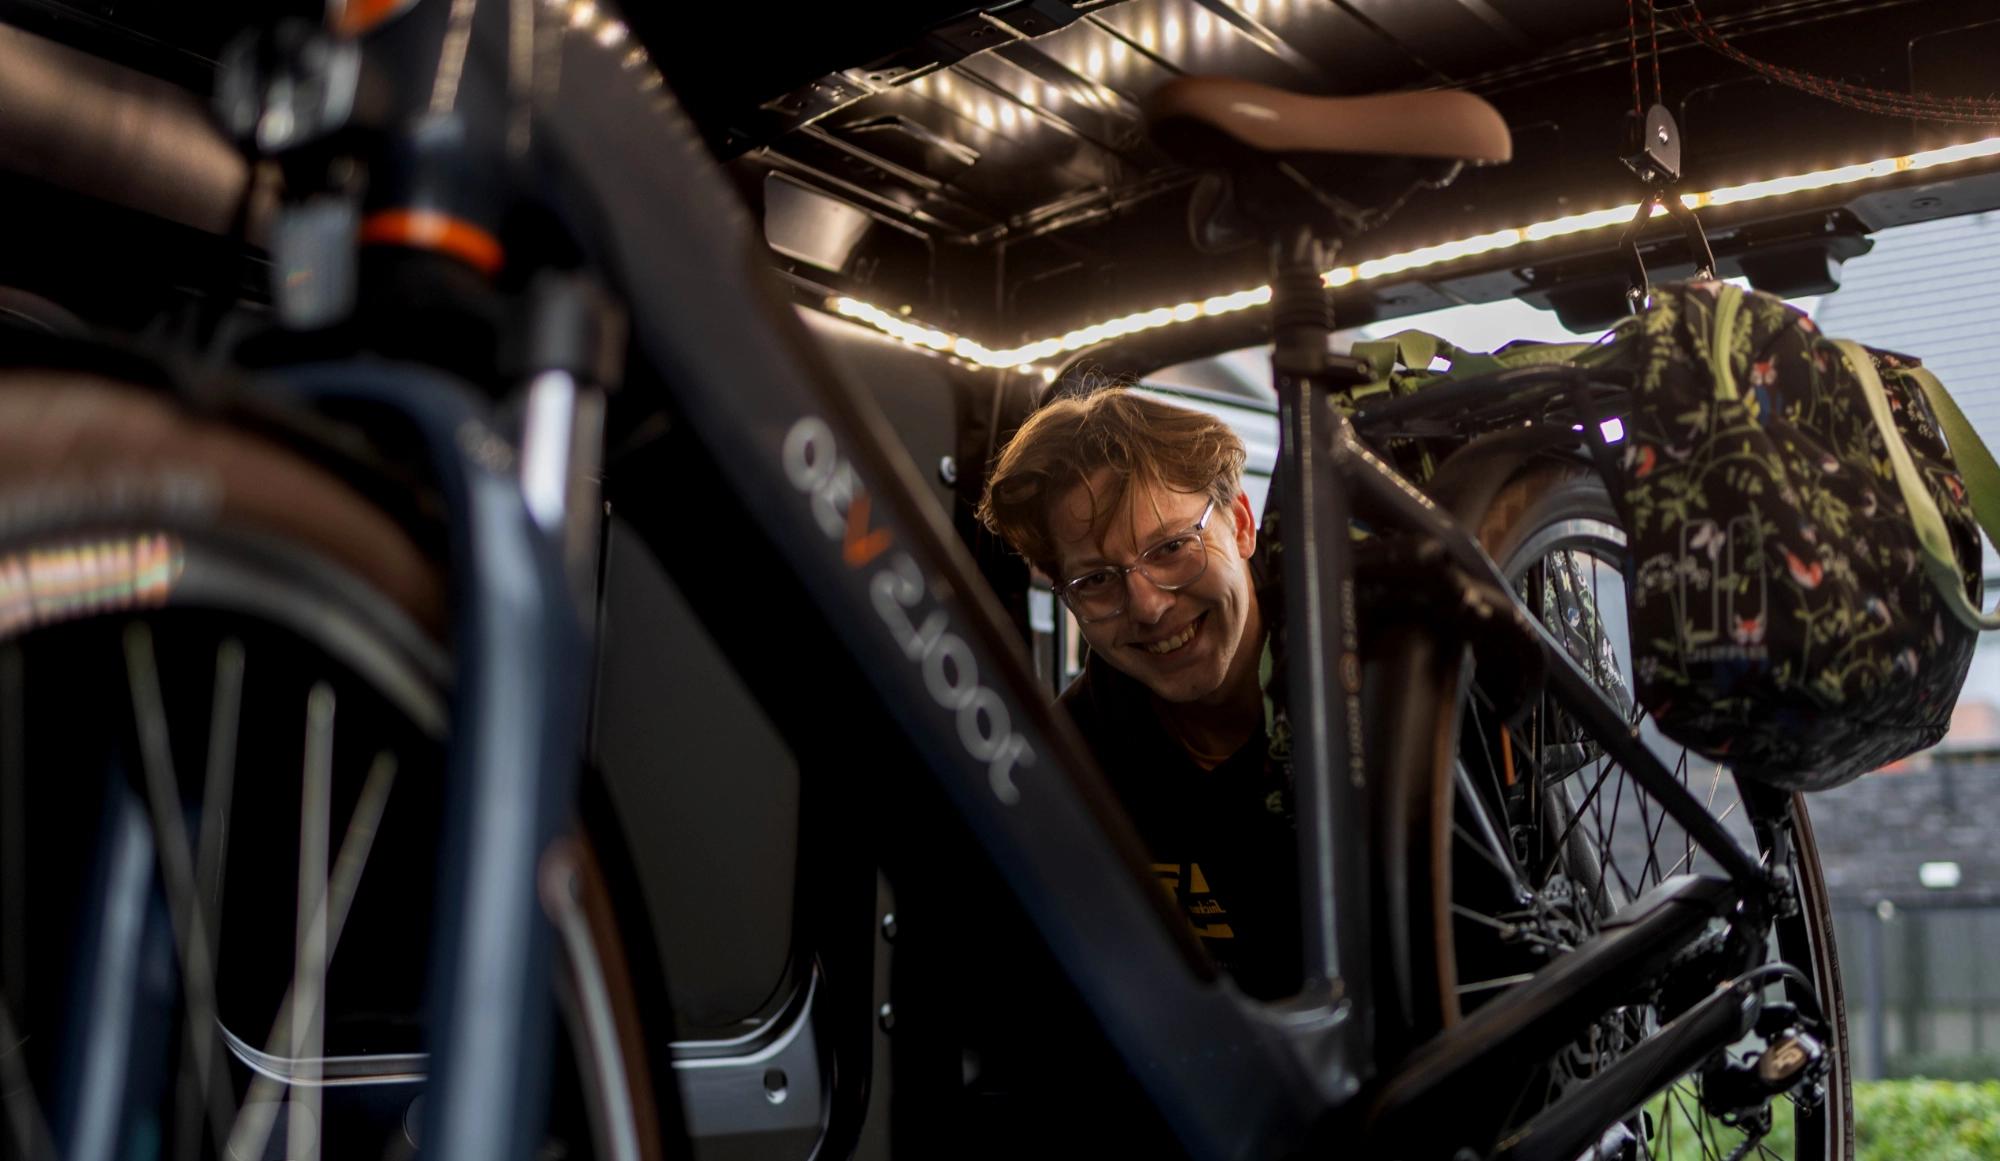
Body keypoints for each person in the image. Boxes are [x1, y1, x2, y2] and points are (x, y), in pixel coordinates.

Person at [977, 383, 1300, 1000]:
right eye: (1097, 580)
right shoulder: (1071, 763)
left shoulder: (1374, 691)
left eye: (1173, 547)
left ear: (1239, 524)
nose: (1148, 607)